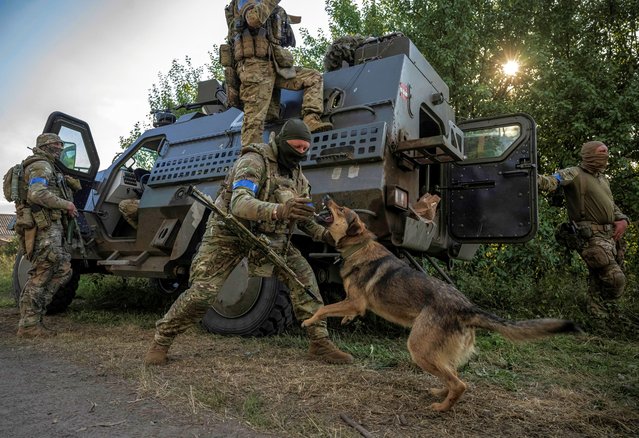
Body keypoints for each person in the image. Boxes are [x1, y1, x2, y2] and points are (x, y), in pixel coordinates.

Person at [144, 119, 352, 366]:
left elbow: (304, 219)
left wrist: (326, 235)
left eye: (305, 149)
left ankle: (320, 343)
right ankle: (162, 341)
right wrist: (280, 210)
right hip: (229, 233)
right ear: (282, 142)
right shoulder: (254, 162)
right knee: (202, 294)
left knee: (305, 282)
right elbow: (239, 204)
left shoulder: (298, 178)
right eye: (296, 147)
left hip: (269, 237)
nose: (300, 153)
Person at [538, 141, 630, 317]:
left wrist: (623, 220)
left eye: (607, 152)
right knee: (615, 278)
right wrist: (532, 177)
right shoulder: (574, 173)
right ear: (588, 154)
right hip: (590, 236)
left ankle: (598, 317)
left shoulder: (603, 179)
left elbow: (611, 206)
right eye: (601, 152)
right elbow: (552, 181)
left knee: (599, 278)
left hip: (610, 236)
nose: (605, 155)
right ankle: (604, 312)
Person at [223, 0, 332, 146]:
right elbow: (253, 19)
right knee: (254, 123)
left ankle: (310, 120)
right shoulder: (245, 2)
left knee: (313, 77)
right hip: (254, 69)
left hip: (275, 64)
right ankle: (250, 158)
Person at [17, 133, 78, 338]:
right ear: (46, 146)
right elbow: (36, 193)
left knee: (63, 270)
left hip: (52, 226)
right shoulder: (41, 165)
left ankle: (35, 316)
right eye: (56, 144)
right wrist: (66, 204)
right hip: (44, 228)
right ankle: (28, 325)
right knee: (43, 271)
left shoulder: (50, 166)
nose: (60, 147)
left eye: (61, 144)